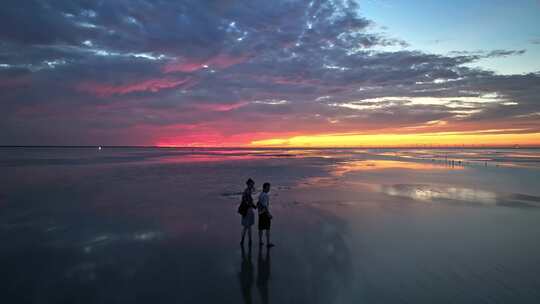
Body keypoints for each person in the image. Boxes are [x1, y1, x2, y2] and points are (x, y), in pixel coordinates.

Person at [240, 178, 257, 246]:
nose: (253, 185)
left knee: (246, 227)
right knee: (248, 227)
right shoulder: (247, 191)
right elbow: (248, 202)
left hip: (246, 211)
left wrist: (253, 206)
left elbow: (246, 201)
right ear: (249, 184)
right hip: (248, 211)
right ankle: (248, 241)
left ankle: (244, 241)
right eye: (252, 184)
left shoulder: (247, 191)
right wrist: (254, 206)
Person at [257, 182, 274, 247]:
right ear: (264, 188)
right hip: (264, 213)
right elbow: (265, 206)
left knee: (260, 228)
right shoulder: (265, 195)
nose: (269, 189)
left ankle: (260, 241)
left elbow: (259, 203)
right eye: (268, 187)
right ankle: (268, 243)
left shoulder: (260, 194)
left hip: (260, 213)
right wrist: (269, 214)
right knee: (267, 228)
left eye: (269, 187)